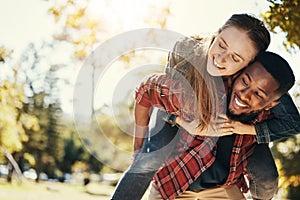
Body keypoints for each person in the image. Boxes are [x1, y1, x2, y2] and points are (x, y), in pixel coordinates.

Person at [111, 14, 299, 200]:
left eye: (235, 58)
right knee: (149, 158)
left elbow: (292, 121)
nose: (221, 59)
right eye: (221, 45)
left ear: (249, 65)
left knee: (267, 175)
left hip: (233, 133)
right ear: (216, 35)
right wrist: (142, 144)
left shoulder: (259, 80)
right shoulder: (186, 55)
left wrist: (249, 129)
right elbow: (151, 92)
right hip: (174, 106)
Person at [147, 51, 296, 199]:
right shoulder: (208, 89)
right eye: (244, 81)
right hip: (174, 180)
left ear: (271, 105)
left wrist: (246, 129)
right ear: (238, 73)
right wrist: (180, 121)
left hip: (221, 187)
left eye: (258, 94)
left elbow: (292, 123)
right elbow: (156, 96)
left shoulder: (263, 117)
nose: (244, 95)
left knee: (267, 178)